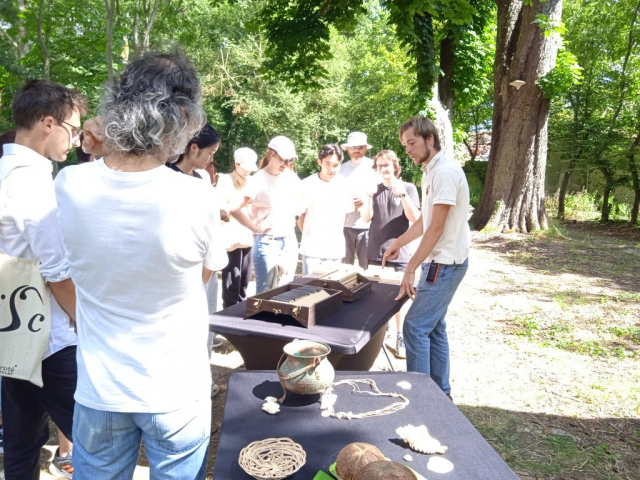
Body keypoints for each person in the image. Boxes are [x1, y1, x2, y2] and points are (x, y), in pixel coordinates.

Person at [55, 53, 228, 479]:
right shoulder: (196, 196)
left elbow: (59, 269)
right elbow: (202, 278)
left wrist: (98, 136)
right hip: (176, 388)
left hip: (101, 389)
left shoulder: (70, 184)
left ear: (116, 104)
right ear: (184, 118)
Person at [0, 81, 86, 480]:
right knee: (93, 440)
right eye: (74, 129)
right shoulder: (32, 181)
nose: (76, 139)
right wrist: (84, 323)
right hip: (47, 338)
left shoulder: (4, 169)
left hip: (9, 333)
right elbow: (57, 272)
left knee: (20, 443)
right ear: (49, 123)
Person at [383, 116, 471, 397]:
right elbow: (425, 219)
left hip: (445, 264)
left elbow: (437, 226)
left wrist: (411, 266)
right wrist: (399, 241)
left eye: (412, 142)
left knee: (415, 327)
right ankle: (440, 393)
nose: (407, 149)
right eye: (404, 144)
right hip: (439, 263)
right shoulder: (429, 170)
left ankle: (419, 397)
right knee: (434, 328)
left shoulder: (445, 172)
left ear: (429, 139)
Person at [361, 150, 420, 359]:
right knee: (375, 296)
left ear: (395, 165)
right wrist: (368, 196)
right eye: (379, 166)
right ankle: (378, 335)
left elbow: (415, 218)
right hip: (375, 250)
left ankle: (400, 336)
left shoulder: (409, 188)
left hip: (400, 253)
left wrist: (402, 194)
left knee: (399, 299)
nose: (383, 169)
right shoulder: (374, 189)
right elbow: (366, 218)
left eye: (386, 165)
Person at [230, 136, 303, 293]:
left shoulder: (291, 177)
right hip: (267, 242)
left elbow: (302, 202)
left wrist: (294, 216)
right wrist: (255, 227)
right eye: (283, 159)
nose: (286, 164)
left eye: (290, 160)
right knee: (265, 294)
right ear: (271, 154)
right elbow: (235, 209)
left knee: (287, 292)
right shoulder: (258, 179)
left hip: (290, 241)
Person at [299, 144, 354, 275]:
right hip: (312, 251)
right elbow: (300, 216)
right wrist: (309, 235)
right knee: (309, 291)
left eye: (335, 165)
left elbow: (346, 215)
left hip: (335, 251)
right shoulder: (306, 184)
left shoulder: (345, 185)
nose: (331, 169)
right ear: (319, 162)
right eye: (327, 164)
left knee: (332, 293)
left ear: (341, 163)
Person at [216, 147, 258, 307]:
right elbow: (223, 209)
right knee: (231, 283)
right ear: (236, 163)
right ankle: (228, 319)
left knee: (244, 283)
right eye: (244, 167)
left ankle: (240, 317)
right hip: (230, 239)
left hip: (247, 238)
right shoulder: (225, 180)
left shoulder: (252, 181)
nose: (247, 171)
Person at [339, 131, 378, 269]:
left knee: (367, 269)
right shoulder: (340, 169)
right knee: (344, 270)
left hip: (368, 227)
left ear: (366, 148)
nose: (356, 150)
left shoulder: (375, 167)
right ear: (348, 149)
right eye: (353, 147)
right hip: (344, 226)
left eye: (360, 147)